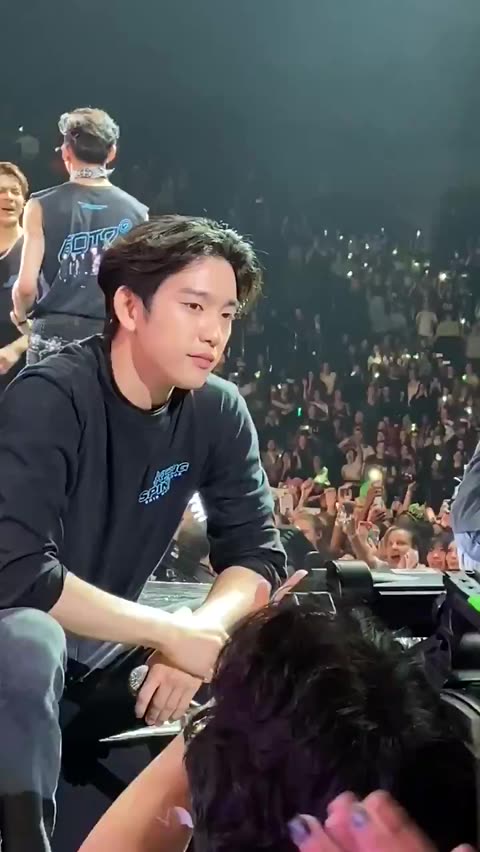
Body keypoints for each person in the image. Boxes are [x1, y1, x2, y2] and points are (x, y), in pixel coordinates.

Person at [0, 215, 288, 851]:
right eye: (194, 307)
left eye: (227, 315)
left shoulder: (217, 408)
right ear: (129, 307)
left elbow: (257, 555)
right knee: (31, 640)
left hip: (110, 646)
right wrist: (169, 632)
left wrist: (201, 632)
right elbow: (18, 572)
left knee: (277, 649)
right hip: (18, 636)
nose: (214, 333)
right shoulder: (51, 396)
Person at [11, 107, 148, 364]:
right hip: (109, 333)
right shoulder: (138, 213)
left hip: (52, 332)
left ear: (66, 152)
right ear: (112, 153)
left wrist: (20, 317)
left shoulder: (40, 205)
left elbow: (26, 286)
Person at [0, 162, 29, 384]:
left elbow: (53, 320)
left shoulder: (37, 250)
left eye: (15, 192)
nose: (8, 197)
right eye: (1, 191)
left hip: (21, 370)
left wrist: (17, 348)